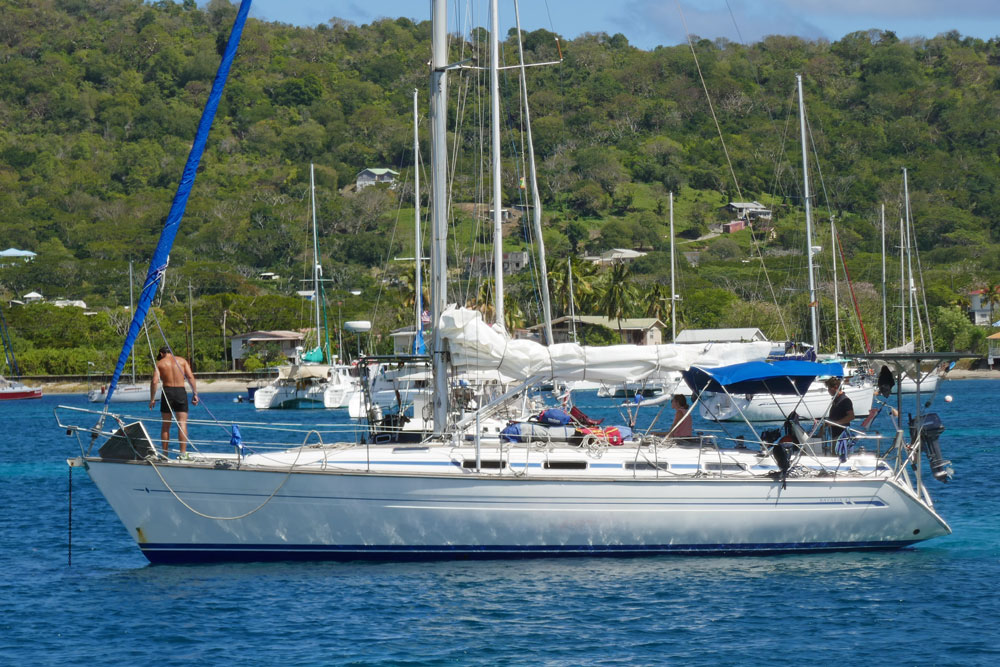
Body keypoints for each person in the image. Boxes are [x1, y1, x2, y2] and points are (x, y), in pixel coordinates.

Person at [149, 346, 198, 458]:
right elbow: (190, 377)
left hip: (168, 392)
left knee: (166, 425)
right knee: (182, 423)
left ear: (162, 354)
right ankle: (183, 453)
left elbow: (155, 381)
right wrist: (195, 393)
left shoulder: (160, 363)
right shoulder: (182, 361)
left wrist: (152, 399)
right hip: (180, 391)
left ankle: (165, 454)